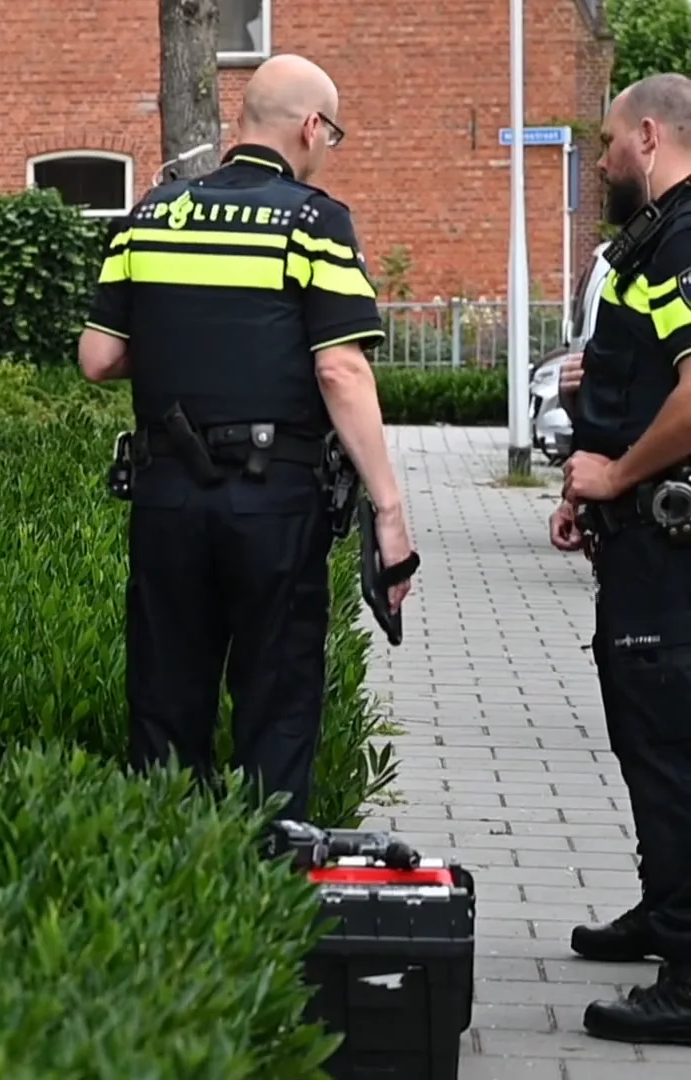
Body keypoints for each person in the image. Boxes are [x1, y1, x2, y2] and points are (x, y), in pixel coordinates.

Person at [74, 54, 415, 825]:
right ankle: (265, 881)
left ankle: (167, 878)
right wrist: (389, 513)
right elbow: (342, 373)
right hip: (273, 500)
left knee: (165, 699)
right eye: (333, 133)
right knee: (277, 696)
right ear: (310, 126)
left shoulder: (152, 213)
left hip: (164, 498)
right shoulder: (314, 221)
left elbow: (100, 358)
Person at [551, 73, 691, 1045]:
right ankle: (664, 911)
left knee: (671, 751)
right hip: (641, 537)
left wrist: (614, 476)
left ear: (650, 135)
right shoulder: (662, 240)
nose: (600, 161)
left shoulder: (684, 238)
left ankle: (685, 973)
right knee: (648, 743)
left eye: (606, 143)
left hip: (669, 548)